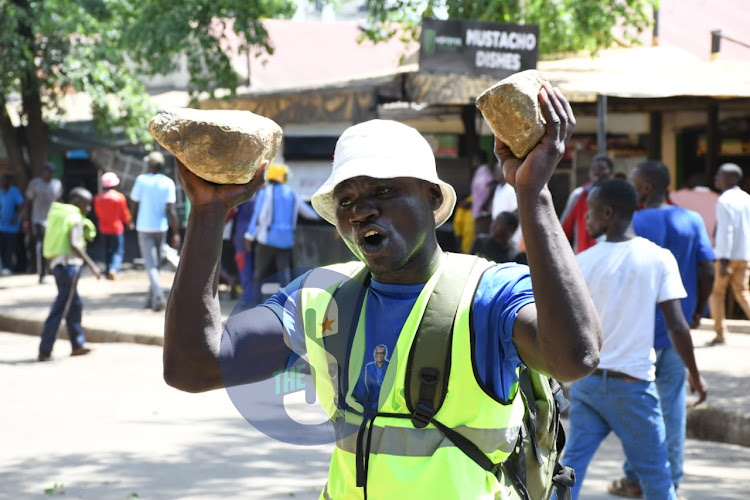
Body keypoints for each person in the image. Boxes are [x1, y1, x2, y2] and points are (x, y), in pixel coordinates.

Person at [163, 84, 602, 499]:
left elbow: (574, 357)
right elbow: (193, 368)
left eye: (384, 190)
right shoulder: (320, 297)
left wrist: (533, 193)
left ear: (432, 198)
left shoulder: (487, 294)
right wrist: (208, 212)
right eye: (346, 200)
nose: (361, 210)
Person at [561, 179, 707, 500]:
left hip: (587, 385)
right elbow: (678, 327)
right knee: (656, 475)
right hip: (632, 387)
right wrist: (695, 375)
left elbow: (566, 325)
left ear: (609, 213)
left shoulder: (582, 261)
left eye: (592, 211)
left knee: (568, 470)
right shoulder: (658, 258)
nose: (586, 218)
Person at [606, 160, 714, 498]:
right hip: (676, 332)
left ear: (645, 188)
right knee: (672, 409)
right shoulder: (691, 219)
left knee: (636, 409)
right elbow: (707, 268)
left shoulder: (633, 222)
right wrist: (698, 310)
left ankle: (635, 478)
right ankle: (672, 480)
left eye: (635, 183)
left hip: (637, 335)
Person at [38, 187, 101, 361]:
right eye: (86, 204)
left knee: (75, 305)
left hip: (58, 265)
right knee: (61, 307)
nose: (88, 209)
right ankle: (45, 349)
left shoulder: (58, 214)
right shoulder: (74, 217)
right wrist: (92, 266)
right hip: (69, 267)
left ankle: (78, 344)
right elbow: (75, 244)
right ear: (76, 202)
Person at [243, 163, 319, 304]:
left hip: (266, 239)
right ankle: (286, 303)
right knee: (284, 274)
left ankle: (255, 303)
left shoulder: (265, 192)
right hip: (286, 241)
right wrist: (321, 216)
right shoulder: (291, 193)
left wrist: (249, 236)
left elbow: (258, 216)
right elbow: (307, 213)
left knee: (260, 272)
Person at [130, 151, 180, 312]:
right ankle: (149, 299)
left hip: (144, 227)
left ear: (150, 165)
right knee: (156, 264)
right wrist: (176, 232)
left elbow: (135, 203)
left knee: (151, 265)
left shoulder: (141, 180)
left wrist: (131, 219)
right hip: (161, 227)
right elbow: (171, 210)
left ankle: (158, 297)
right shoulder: (168, 182)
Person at [708, 162, 750, 346]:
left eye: (720, 174)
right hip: (744, 254)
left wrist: (723, 260)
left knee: (716, 293)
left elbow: (726, 231)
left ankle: (720, 334)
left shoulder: (725, 200)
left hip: (727, 255)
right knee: (743, 293)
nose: (716, 178)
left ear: (731, 178)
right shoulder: (747, 198)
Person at [560, 154, 613, 253]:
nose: (596, 172)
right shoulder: (579, 195)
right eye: (593, 169)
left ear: (610, 172)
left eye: (601, 168)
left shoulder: (618, 195)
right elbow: (564, 230)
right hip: (583, 254)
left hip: (611, 255)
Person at [24, 162, 63, 283]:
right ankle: (42, 273)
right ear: (42, 172)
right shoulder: (35, 184)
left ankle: (52, 269)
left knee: (53, 245)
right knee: (42, 245)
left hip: (53, 219)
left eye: (52, 172)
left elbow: (59, 201)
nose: (50, 174)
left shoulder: (57, 184)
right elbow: (29, 203)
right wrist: (27, 221)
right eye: (48, 171)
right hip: (38, 219)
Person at [93, 172, 134, 280]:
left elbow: (98, 213)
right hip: (117, 228)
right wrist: (129, 223)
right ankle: (114, 269)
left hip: (103, 228)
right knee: (117, 250)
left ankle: (108, 270)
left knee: (107, 250)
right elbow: (125, 213)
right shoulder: (119, 197)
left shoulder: (98, 198)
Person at [669, 173, 720, 246]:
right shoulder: (719, 198)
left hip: (687, 244)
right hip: (710, 244)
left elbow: (669, 195)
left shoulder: (683, 195)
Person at [0, 174, 25, 275]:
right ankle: (4, 267)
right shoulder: (1, 192)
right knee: (2, 248)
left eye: (3, 180)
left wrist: (17, 218)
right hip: (1, 225)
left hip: (12, 227)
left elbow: (21, 205)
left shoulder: (14, 191)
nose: (1, 182)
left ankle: (8, 267)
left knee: (9, 248)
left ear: (8, 181)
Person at [470, 150, 494, 235]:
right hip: (478, 209)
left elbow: (492, 186)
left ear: (478, 159)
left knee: (481, 234)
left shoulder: (485, 171)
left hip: (484, 210)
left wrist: (486, 203)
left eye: (474, 159)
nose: (472, 161)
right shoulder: (479, 171)